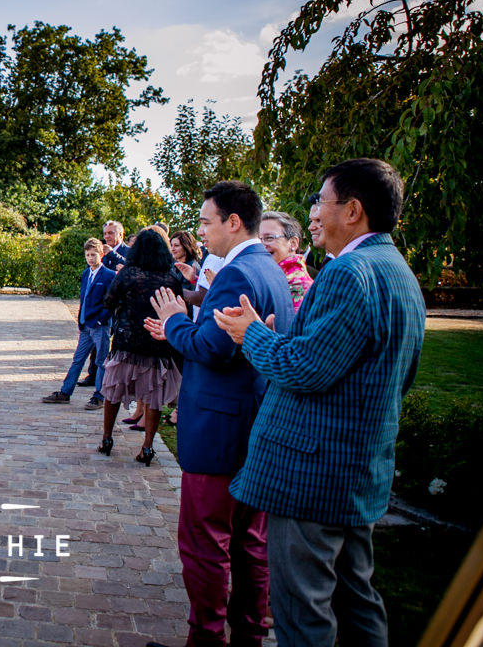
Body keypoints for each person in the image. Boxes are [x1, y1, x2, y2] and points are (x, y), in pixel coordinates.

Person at [215, 159, 426, 647]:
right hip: (356, 470)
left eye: (320, 202)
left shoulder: (349, 273)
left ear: (352, 211)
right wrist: (272, 338)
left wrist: (253, 337)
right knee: (357, 601)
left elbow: (304, 369)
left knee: (303, 611)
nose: (312, 213)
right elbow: (392, 373)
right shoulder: (400, 273)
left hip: (313, 476)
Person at [144, 181, 296, 647]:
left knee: (205, 544)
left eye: (206, 222)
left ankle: (205, 639)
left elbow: (212, 349)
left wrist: (174, 323)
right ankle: (250, 634)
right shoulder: (268, 269)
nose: (201, 232)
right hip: (254, 422)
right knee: (251, 542)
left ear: (233, 222)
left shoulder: (234, 274)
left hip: (220, 428)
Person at [96, 227, 182, 466]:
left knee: (113, 390)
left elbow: (109, 301)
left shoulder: (129, 273)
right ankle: (147, 446)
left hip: (127, 341)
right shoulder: (171, 277)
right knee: (154, 396)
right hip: (157, 343)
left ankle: (107, 438)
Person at [41, 238, 115, 409]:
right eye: (88, 255)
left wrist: (101, 319)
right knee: (78, 360)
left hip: (100, 325)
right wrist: (81, 319)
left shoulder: (109, 275)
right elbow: (84, 297)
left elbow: (111, 302)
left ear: (101, 255)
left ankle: (99, 396)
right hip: (86, 325)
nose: (90, 258)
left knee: (101, 361)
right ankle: (66, 392)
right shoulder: (85, 273)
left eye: (93, 255)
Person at [259, 212, 313, 312]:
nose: (261, 245)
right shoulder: (271, 279)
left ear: (293, 243)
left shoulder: (298, 286)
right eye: (258, 240)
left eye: (269, 238)